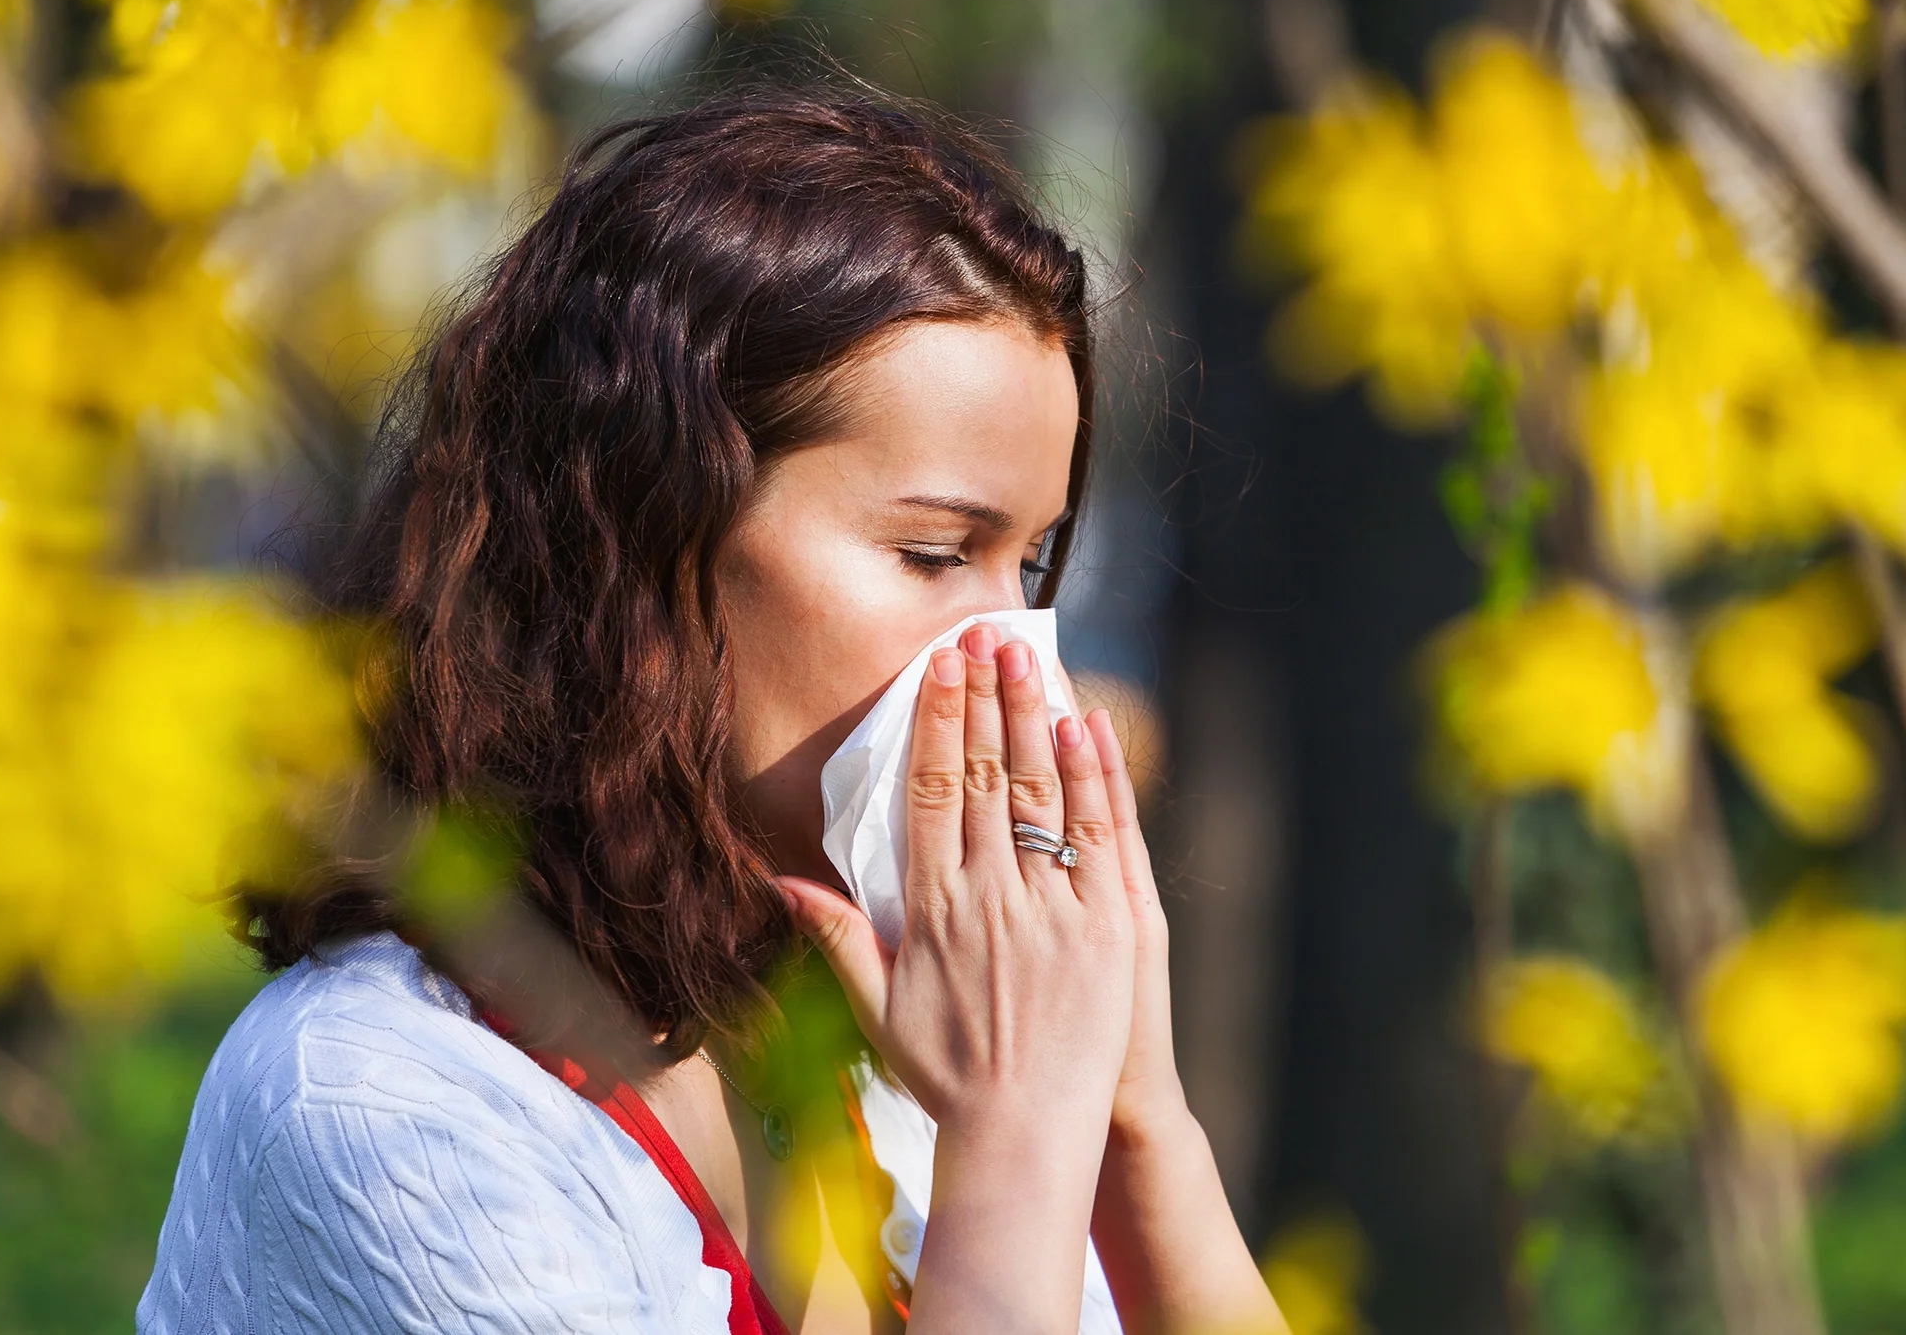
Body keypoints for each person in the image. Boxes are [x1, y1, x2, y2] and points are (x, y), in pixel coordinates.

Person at [136, 80, 1285, 1335]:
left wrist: (1129, 1122)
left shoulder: (891, 1044)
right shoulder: (388, 1109)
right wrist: (1013, 1145)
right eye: (935, 554)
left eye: (1032, 564)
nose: (1019, 662)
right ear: (646, 533)